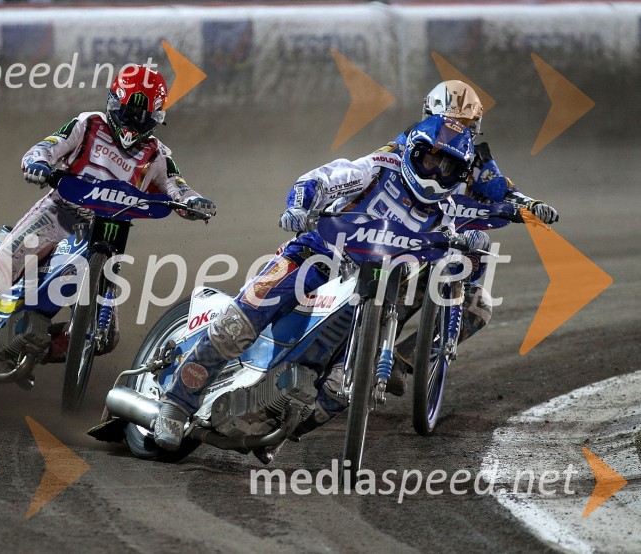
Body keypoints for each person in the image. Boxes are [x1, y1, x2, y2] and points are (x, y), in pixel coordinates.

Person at [153, 114, 475, 451]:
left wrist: (468, 246)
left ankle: (276, 421)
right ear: (413, 151)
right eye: (430, 160)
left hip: (371, 289)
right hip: (317, 255)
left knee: (343, 387)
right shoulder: (379, 167)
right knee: (240, 323)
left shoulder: (445, 212)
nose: (436, 173)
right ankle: (176, 404)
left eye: (448, 168)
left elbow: (449, 251)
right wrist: (299, 206)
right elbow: (321, 179)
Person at [0, 64, 217, 382]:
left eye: (144, 115)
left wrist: (194, 202)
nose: (136, 120)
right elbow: (45, 147)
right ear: (117, 103)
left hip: (107, 232)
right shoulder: (88, 124)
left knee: (106, 337)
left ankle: (21, 347)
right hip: (57, 215)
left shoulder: (157, 155)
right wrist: (38, 164)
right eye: (131, 111)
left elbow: (179, 188)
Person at [379, 80, 559, 396]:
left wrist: (530, 205)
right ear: (430, 115)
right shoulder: (409, 143)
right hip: (403, 241)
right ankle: (356, 351)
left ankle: (401, 361)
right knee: (390, 293)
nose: (457, 130)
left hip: (452, 245)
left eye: (466, 124)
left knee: (479, 306)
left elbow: (502, 189)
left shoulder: (475, 159)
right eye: (452, 121)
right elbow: (373, 167)